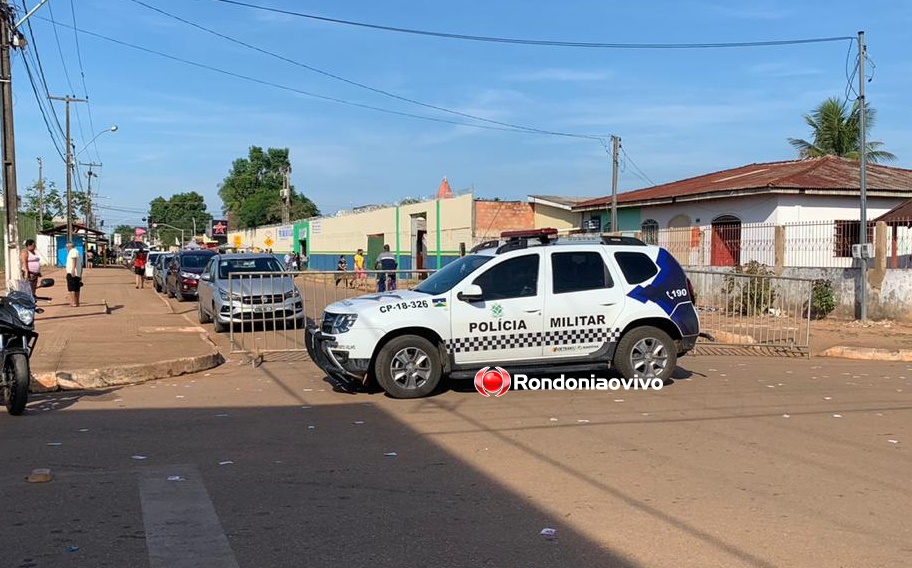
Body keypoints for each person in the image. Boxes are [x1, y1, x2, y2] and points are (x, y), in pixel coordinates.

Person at [65, 242, 83, 307]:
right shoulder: (78, 252)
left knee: (72, 288)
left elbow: (74, 260)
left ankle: (73, 302)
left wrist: (73, 269)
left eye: (66, 247)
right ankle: (77, 302)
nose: (66, 249)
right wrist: (80, 274)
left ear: (69, 247)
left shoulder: (73, 251)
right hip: (77, 273)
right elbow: (81, 265)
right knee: (77, 288)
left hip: (72, 273)